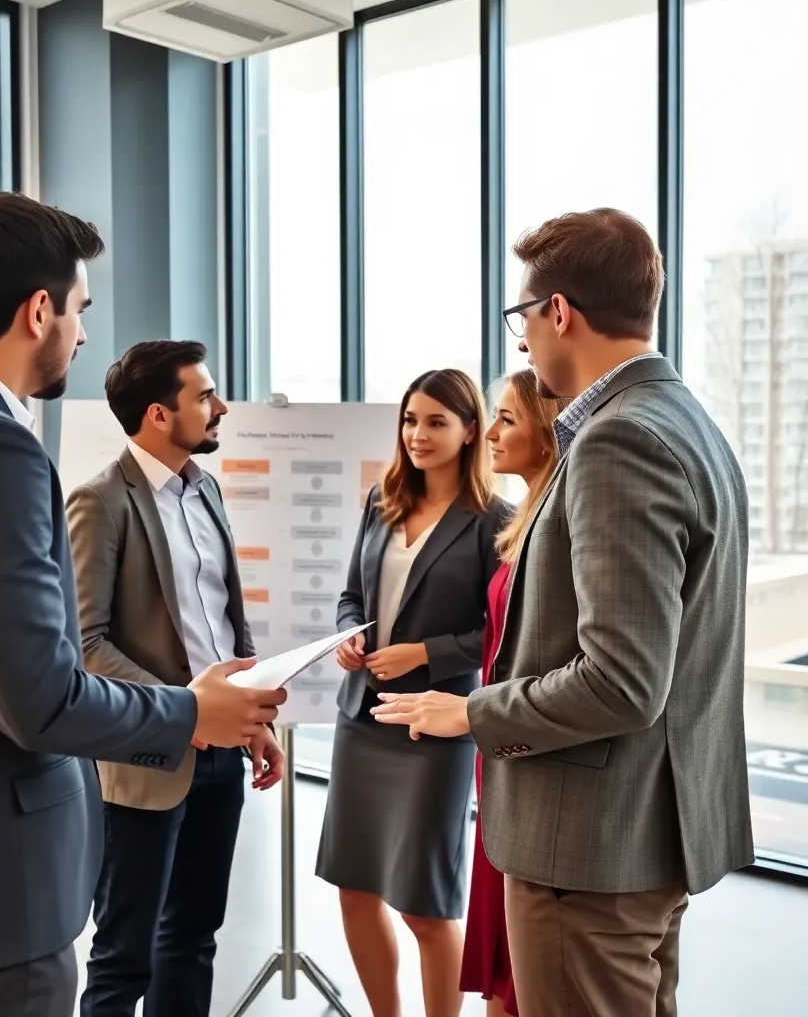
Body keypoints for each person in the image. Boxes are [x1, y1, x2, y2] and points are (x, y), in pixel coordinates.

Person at [0, 192, 285, 1017]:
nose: (83, 332)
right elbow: (42, 700)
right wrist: (188, 713)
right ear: (39, 310)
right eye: (79, 308)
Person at [373, 207, 754, 1017]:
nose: (521, 343)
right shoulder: (689, 422)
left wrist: (471, 712)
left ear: (559, 313)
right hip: (644, 833)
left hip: (588, 849)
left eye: (523, 317)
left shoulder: (622, 441)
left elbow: (621, 682)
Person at [67, 340, 284, 1017]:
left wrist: (255, 721)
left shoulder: (206, 487)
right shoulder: (101, 501)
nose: (220, 408)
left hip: (221, 754)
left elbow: (226, 620)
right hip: (146, 758)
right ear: (159, 414)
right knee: (124, 952)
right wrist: (183, 710)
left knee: (193, 938)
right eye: (205, 396)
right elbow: (83, 643)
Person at [316, 369, 512, 1017]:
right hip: (362, 716)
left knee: (425, 907)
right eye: (410, 420)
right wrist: (348, 637)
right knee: (354, 890)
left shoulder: (494, 521)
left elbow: (500, 631)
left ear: (468, 431)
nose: (417, 434)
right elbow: (351, 598)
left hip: (434, 729)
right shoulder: (381, 499)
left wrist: (426, 653)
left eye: (435, 421)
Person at [460, 369, 569, 1017]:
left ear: (546, 431)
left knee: (530, 977)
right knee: (509, 969)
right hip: (500, 748)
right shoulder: (524, 518)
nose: (490, 432)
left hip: (521, 744)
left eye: (506, 419)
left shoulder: (555, 521)